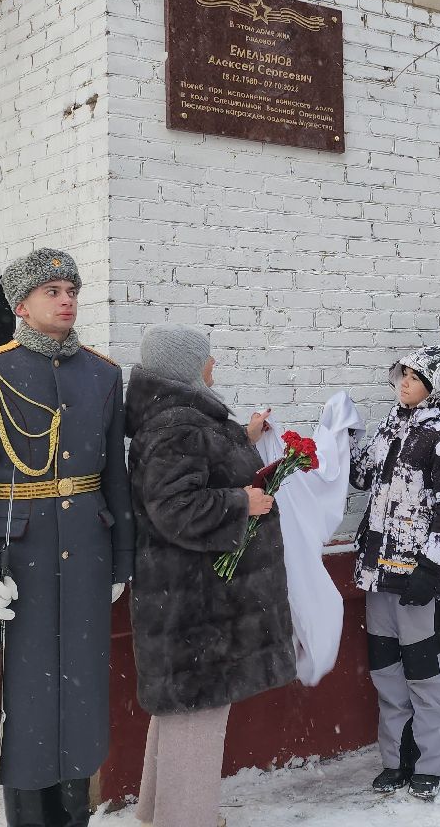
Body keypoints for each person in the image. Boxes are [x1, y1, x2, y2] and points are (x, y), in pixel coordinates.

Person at [0, 249, 134, 827]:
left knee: (79, 702)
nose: (66, 299)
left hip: (86, 561)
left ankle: (74, 816)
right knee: (21, 705)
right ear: (21, 305)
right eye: (52, 290)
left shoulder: (103, 374)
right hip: (15, 564)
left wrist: (120, 562)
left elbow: (115, 481)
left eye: (72, 288)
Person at [126, 323, 296, 827]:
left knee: (178, 707)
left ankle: (159, 812)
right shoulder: (177, 423)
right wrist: (243, 501)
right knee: (198, 711)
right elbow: (175, 508)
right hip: (196, 598)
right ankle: (188, 820)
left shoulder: (176, 417)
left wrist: (243, 439)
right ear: (184, 365)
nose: (213, 364)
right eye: (206, 357)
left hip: (185, 593)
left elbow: (195, 471)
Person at [350, 346, 440, 801]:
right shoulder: (391, 423)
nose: (405, 383)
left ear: (435, 383)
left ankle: (431, 762)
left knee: (422, 670)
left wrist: (431, 564)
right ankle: (395, 759)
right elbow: (361, 477)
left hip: (413, 569)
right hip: (375, 569)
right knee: (385, 669)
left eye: (416, 377)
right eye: (403, 374)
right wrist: (346, 435)